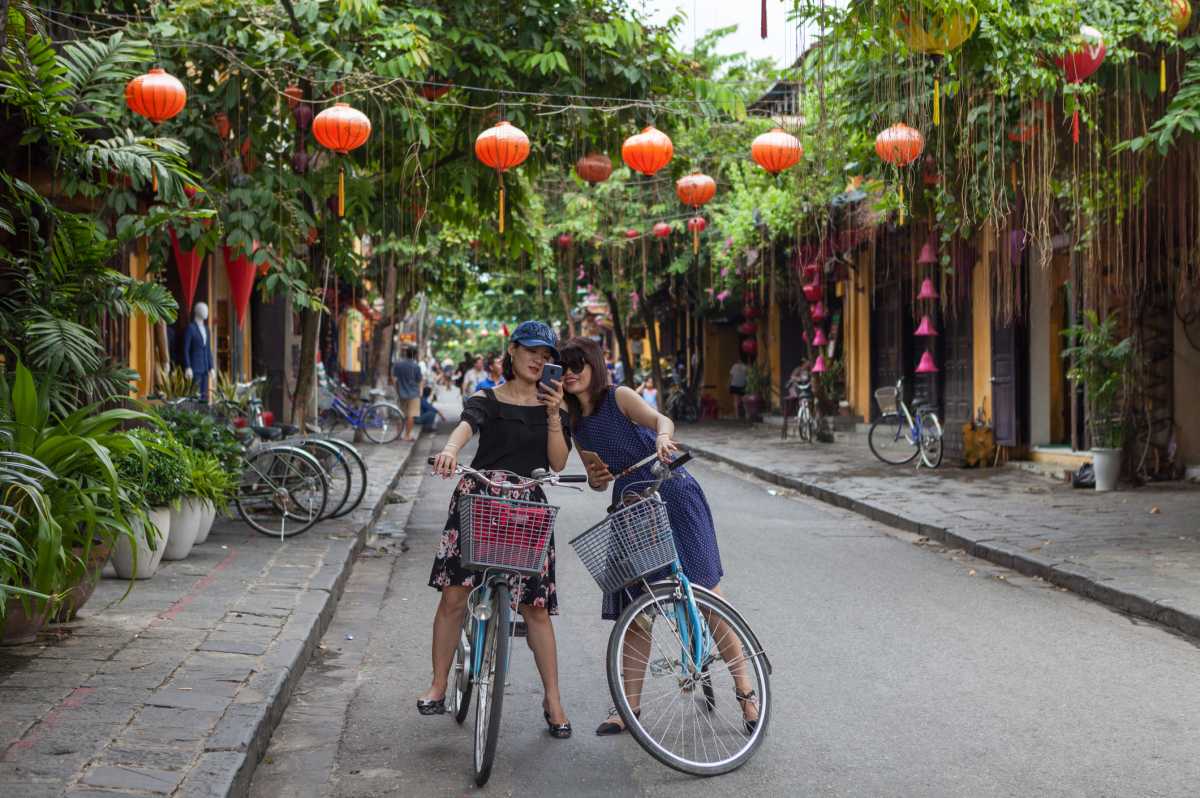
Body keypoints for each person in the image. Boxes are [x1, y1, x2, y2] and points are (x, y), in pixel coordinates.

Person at [558, 337, 757, 736]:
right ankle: (627, 709)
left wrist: (663, 437)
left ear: (595, 365)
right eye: (564, 368)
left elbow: (660, 420)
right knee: (638, 610)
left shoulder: (620, 396)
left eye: (579, 364)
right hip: (631, 502)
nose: (571, 373)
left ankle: (747, 693)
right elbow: (598, 478)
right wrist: (598, 479)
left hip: (673, 489)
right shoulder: (575, 424)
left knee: (709, 596)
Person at [420, 321, 573, 738]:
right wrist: (451, 451)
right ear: (513, 350)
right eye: (532, 351)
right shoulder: (487, 397)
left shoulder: (555, 406)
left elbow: (557, 464)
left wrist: (555, 415)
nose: (538, 360)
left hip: (528, 506)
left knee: (537, 609)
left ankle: (553, 700)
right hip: (482, 499)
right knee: (455, 596)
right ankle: (438, 685)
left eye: (546, 355)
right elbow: (466, 425)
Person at [181, 301, 214, 401]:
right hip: (195, 367)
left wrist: (211, 367)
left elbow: (208, 349)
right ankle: (196, 414)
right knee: (195, 395)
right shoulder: (191, 328)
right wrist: (188, 366)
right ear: (197, 311)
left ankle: (204, 415)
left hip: (204, 367)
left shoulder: (207, 329)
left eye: (207, 309)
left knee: (204, 396)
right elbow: (185, 349)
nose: (207, 312)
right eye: (204, 309)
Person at [391, 347, 423, 442]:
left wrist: (397, 389)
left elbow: (394, 378)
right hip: (413, 394)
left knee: (400, 415)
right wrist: (420, 391)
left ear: (406, 353)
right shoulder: (416, 366)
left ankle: (398, 435)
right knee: (411, 415)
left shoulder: (398, 365)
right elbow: (419, 380)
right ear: (415, 355)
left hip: (401, 393)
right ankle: (407, 435)